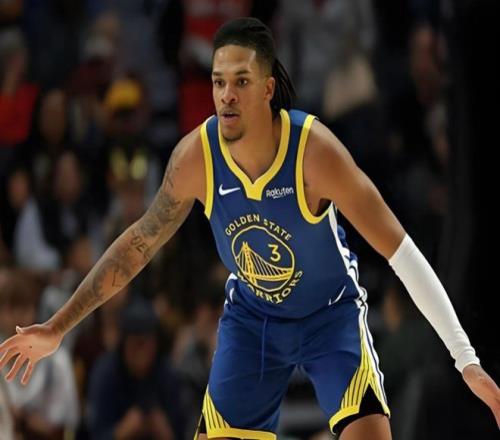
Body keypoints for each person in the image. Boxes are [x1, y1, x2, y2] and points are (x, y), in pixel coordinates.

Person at [1, 17, 499, 440]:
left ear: (267, 88)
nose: (226, 95)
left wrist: (466, 359)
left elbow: (402, 252)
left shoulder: (315, 153)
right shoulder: (196, 158)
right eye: (218, 82)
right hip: (254, 321)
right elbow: (137, 245)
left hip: (330, 317)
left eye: (240, 81)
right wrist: (58, 327)